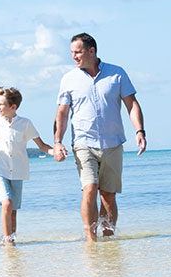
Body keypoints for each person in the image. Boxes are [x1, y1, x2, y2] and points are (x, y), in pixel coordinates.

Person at [52, 33, 146, 241]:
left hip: (113, 143)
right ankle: (91, 240)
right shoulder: (69, 79)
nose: (74, 57)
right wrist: (57, 142)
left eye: (78, 52)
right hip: (84, 143)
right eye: (72, 53)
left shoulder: (117, 74)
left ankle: (109, 239)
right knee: (90, 188)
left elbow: (132, 104)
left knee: (108, 196)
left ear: (91, 51)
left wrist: (139, 131)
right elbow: (62, 113)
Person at [0, 87, 52, 246]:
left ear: (13, 107)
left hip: (19, 172)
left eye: (1, 104)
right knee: (6, 203)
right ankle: (7, 241)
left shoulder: (25, 123)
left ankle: (11, 240)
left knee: (13, 210)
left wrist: (54, 152)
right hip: (0, 170)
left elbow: (41, 146)